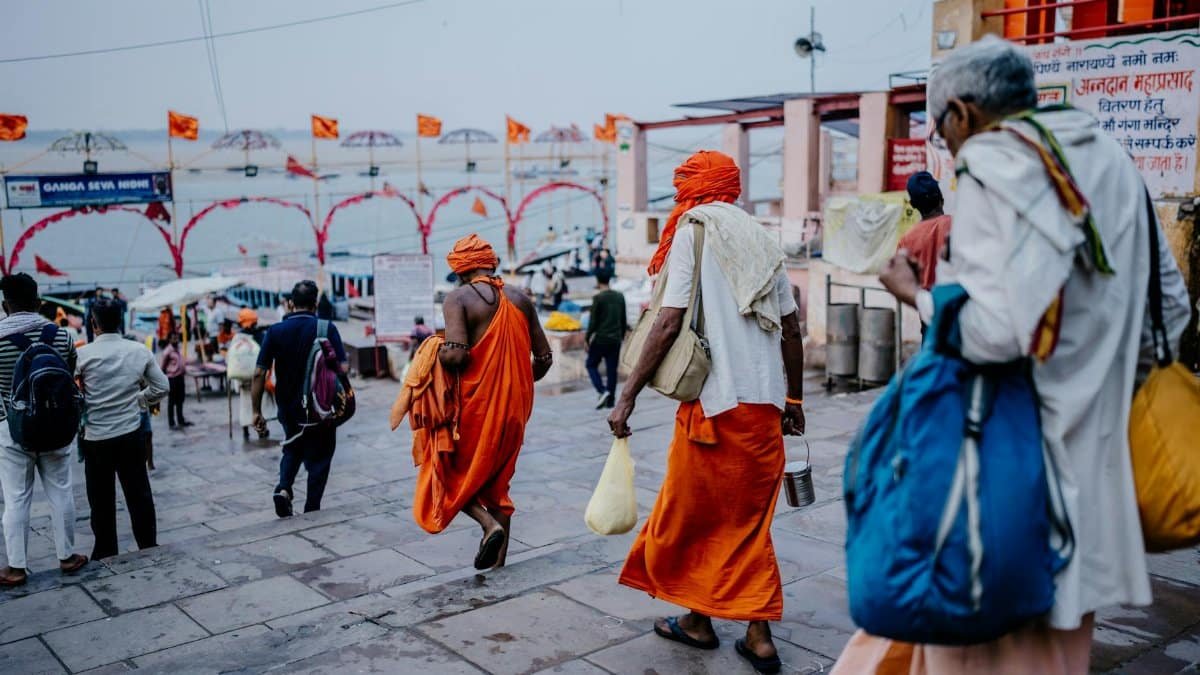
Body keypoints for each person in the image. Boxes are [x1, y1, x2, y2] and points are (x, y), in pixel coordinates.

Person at [831, 36, 1191, 675]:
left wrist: (918, 296)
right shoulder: (1110, 158)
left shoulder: (997, 161)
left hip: (1007, 479)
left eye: (941, 133)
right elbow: (1171, 308)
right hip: (1093, 485)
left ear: (962, 114)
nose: (947, 147)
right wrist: (1098, 391)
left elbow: (997, 333)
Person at [607, 150, 807, 674]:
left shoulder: (691, 232)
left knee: (692, 516)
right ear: (732, 188)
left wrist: (626, 395)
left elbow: (667, 320)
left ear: (692, 189)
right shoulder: (761, 239)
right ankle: (710, 623)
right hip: (763, 406)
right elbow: (791, 327)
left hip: (716, 408)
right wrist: (794, 401)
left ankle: (750, 631)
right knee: (743, 521)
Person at [416, 234, 552, 569]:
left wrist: (435, 348)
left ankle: (488, 525)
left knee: (446, 473)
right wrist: (515, 383)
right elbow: (545, 358)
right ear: (490, 262)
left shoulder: (458, 298)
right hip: (515, 408)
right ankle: (498, 564)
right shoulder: (520, 297)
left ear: (461, 270)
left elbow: (456, 357)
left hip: (476, 408)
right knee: (498, 482)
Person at [0, 274, 88, 586]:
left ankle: (16, 567)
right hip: (55, 424)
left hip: (11, 428)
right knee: (61, 491)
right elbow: (70, 373)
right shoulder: (62, 336)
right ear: (39, 302)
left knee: (16, 498)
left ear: (4, 305)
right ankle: (66, 556)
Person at [77, 297, 169, 560]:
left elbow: (73, 394)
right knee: (139, 492)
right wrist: (138, 400)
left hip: (96, 438)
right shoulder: (138, 350)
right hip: (130, 434)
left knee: (101, 499)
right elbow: (162, 387)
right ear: (120, 322)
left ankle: (106, 549)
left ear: (93, 324)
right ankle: (147, 544)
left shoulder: (82, 355)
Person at [251, 280, 347, 517]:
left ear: (291, 303)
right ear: (315, 304)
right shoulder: (326, 328)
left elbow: (259, 373)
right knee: (320, 457)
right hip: (320, 407)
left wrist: (256, 411)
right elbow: (343, 368)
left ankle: (284, 488)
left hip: (288, 406)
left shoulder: (274, 331)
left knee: (292, 447)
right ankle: (311, 509)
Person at [898, 171, 952, 290]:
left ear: (912, 205)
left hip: (925, 305)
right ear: (941, 199)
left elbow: (902, 281)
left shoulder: (905, 241)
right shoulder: (957, 225)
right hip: (959, 304)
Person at [585, 270, 627, 409]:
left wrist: (587, 338)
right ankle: (611, 400)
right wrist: (621, 336)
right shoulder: (620, 296)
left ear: (598, 282)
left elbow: (593, 321)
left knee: (591, 364)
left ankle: (602, 391)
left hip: (601, 339)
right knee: (611, 370)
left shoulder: (599, 298)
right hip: (615, 340)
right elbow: (623, 319)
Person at [159, 332, 189, 429]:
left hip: (180, 378)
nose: (176, 340)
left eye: (177, 338)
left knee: (180, 400)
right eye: (174, 339)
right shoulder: (167, 351)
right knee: (172, 402)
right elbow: (162, 367)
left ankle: (181, 420)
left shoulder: (178, 349)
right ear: (170, 340)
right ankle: (171, 423)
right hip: (172, 379)